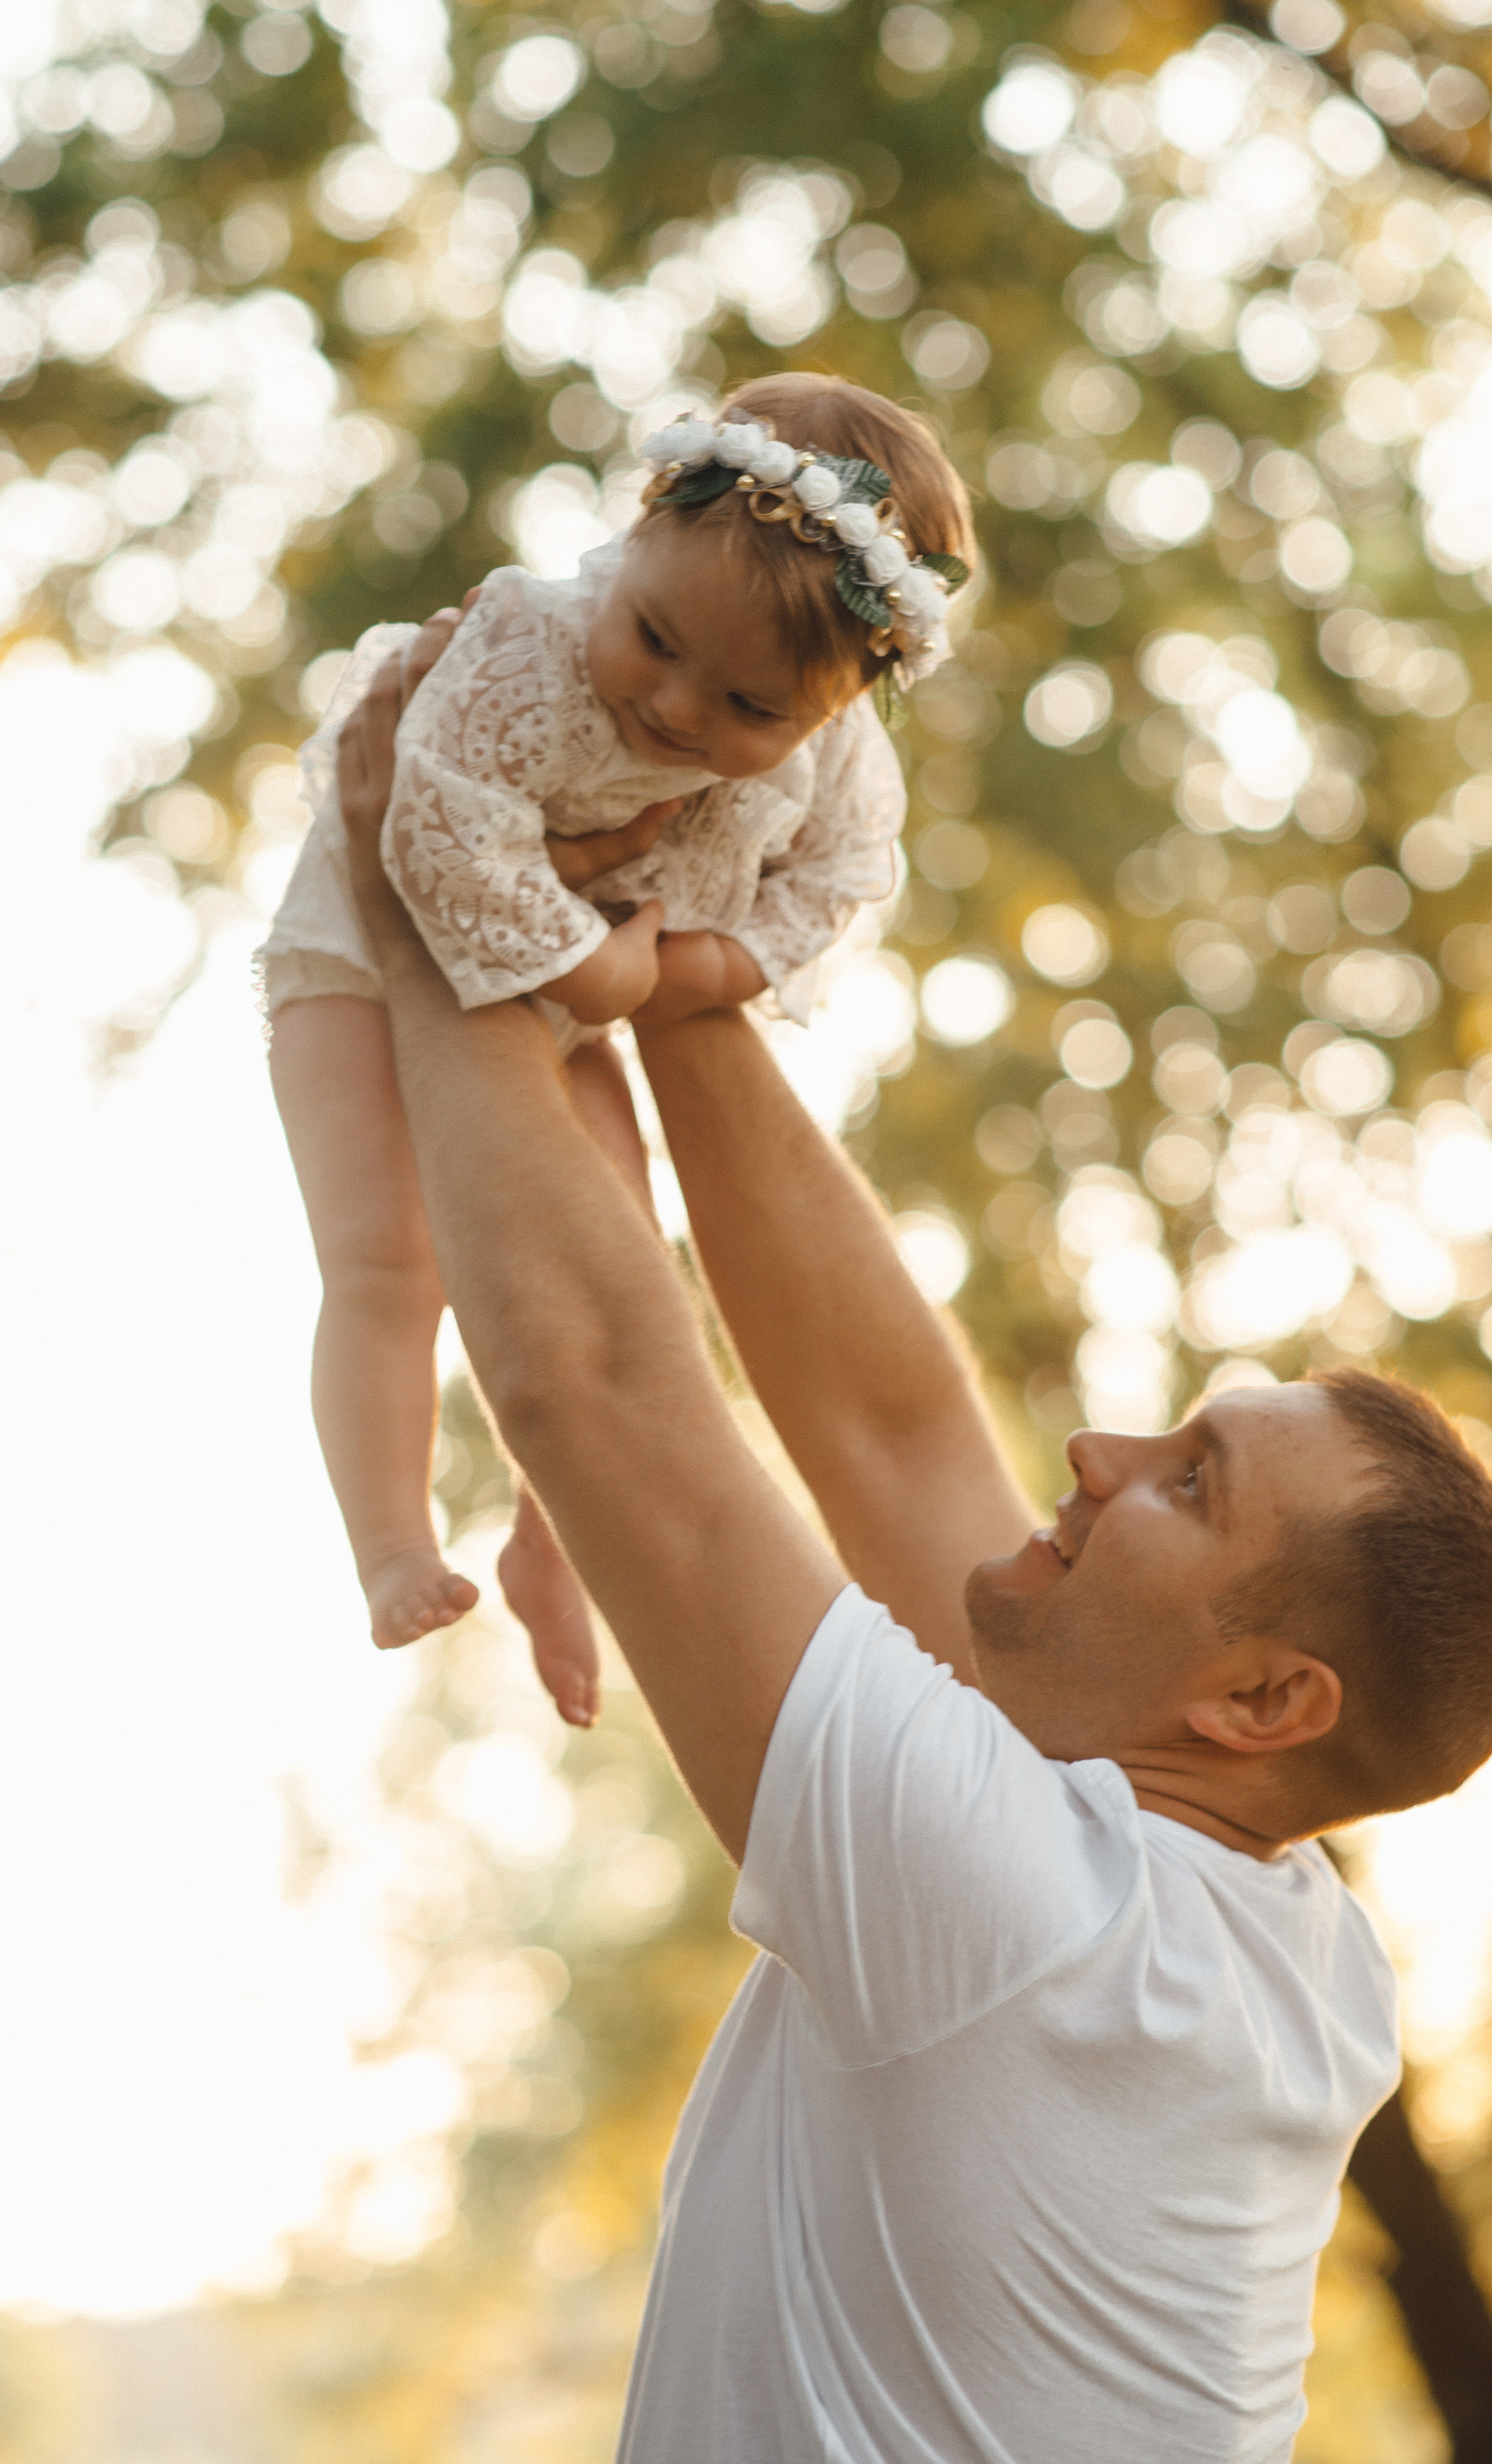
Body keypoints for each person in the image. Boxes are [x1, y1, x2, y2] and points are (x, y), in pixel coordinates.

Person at [325, 626, 1492, 2464]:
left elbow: (593, 1388)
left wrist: (432, 887)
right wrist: (679, 949)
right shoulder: (1273, 1940)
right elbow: (891, 1433)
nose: (1097, 1453)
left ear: (1264, 1697)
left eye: (1185, 1482)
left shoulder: (1030, 1920)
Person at [264, 371, 974, 1729]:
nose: (682, 712)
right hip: (366, 957)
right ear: (636, 531)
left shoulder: (834, 762)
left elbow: (839, 877)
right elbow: (431, 831)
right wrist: (603, 965)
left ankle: (553, 1532)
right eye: (655, 639)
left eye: (753, 708)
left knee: (618, 1271)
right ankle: (392, 1541)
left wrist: (719, 964)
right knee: (387, 1257)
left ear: (838, 705)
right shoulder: (520, 646)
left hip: (583, 992)